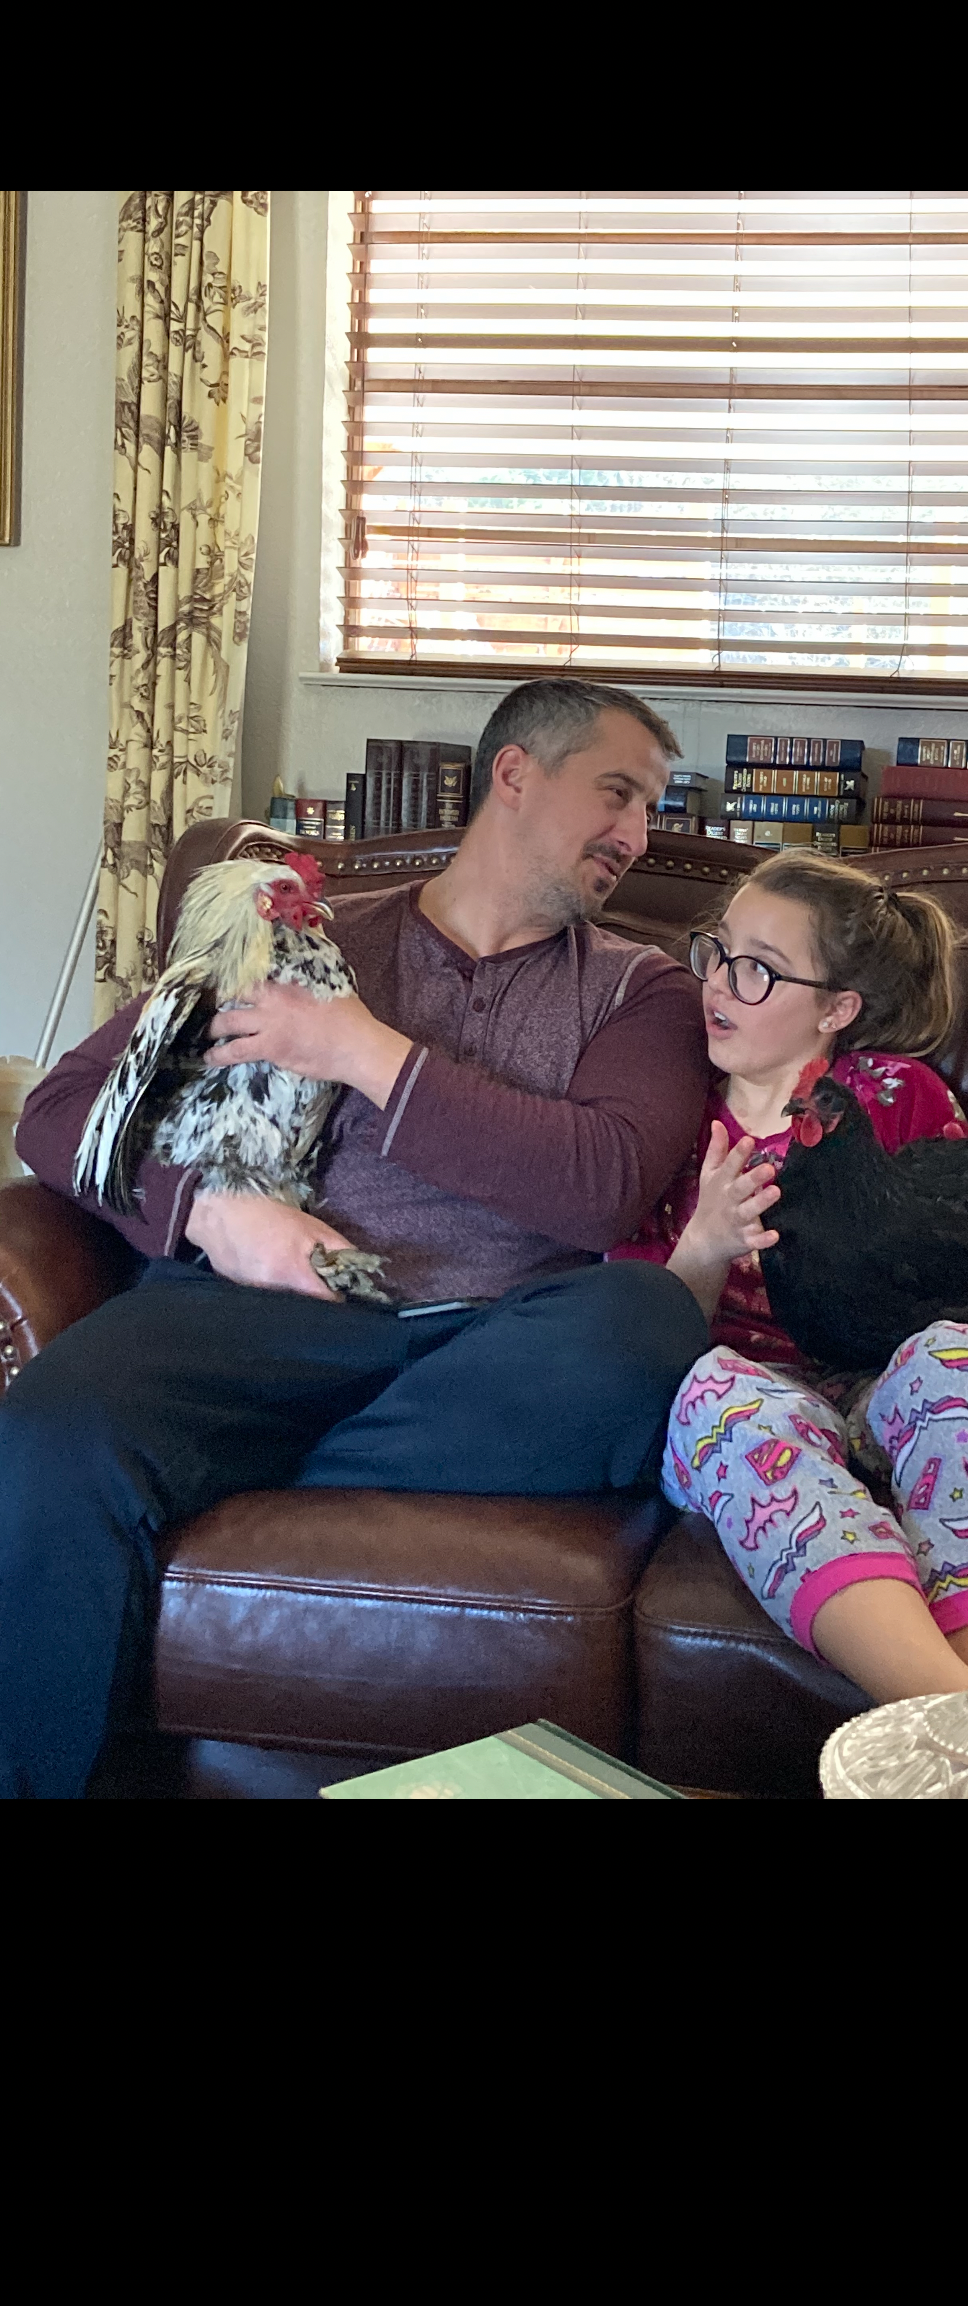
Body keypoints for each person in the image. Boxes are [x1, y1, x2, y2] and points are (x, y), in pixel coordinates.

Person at [3, 680, 712, 1799]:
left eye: (649, 810)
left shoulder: (644, 990)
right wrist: (213, 1217)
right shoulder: (298, 934)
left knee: (647, 1322)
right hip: (258, 1317)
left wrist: (360, 1051)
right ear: (515, 774)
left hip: (490, 1348)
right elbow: (58, 1112)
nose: (636, 835)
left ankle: (245, 1456)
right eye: (616, 794)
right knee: (53, 1428)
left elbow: (602, 1188)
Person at [610, 850, 968, 1706]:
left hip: (893, 1388)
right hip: (749, 1402)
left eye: (758, 969)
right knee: (725, 1398)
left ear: (837, 1008)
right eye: (717, 951)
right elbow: (627, 1343)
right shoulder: (662, 1105)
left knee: (963, 1359)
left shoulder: (898, 1098)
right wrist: (703, 1248)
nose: (717, 984)